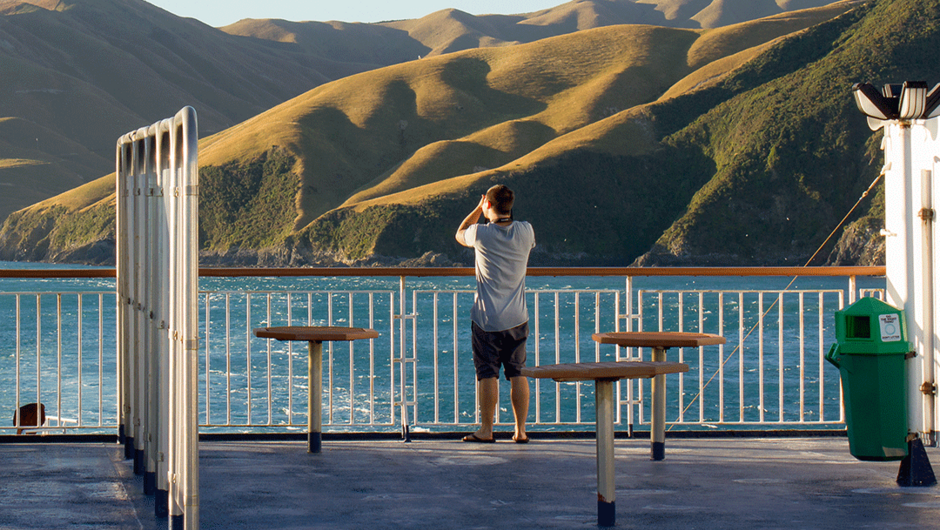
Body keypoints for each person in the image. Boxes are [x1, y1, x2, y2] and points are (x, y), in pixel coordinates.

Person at [455, 184, 536, 443]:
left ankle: (487, 430)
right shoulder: (526, 230)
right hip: (517, 316)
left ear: (488, 205)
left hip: (487, 318)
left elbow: (459, 233)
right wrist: (490, 207)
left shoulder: (480, 234)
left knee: (487, 373)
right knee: (518, 372)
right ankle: (520, 431)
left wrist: (478, 208)